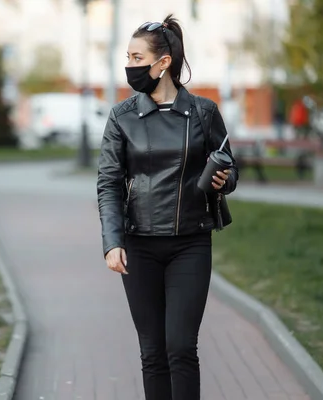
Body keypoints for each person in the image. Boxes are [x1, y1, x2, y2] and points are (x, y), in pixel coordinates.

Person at [96, 14, 239, 400]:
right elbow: (108, 183)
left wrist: (225, 178)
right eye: (127, 56)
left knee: (180, 347)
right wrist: (112, 242)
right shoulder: (121, 117)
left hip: (190, 243)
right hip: (138, 245)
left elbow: (230, 167)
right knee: (153, 352)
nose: (130, 65)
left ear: (163, 64)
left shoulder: (204, 112)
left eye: (138, 57)